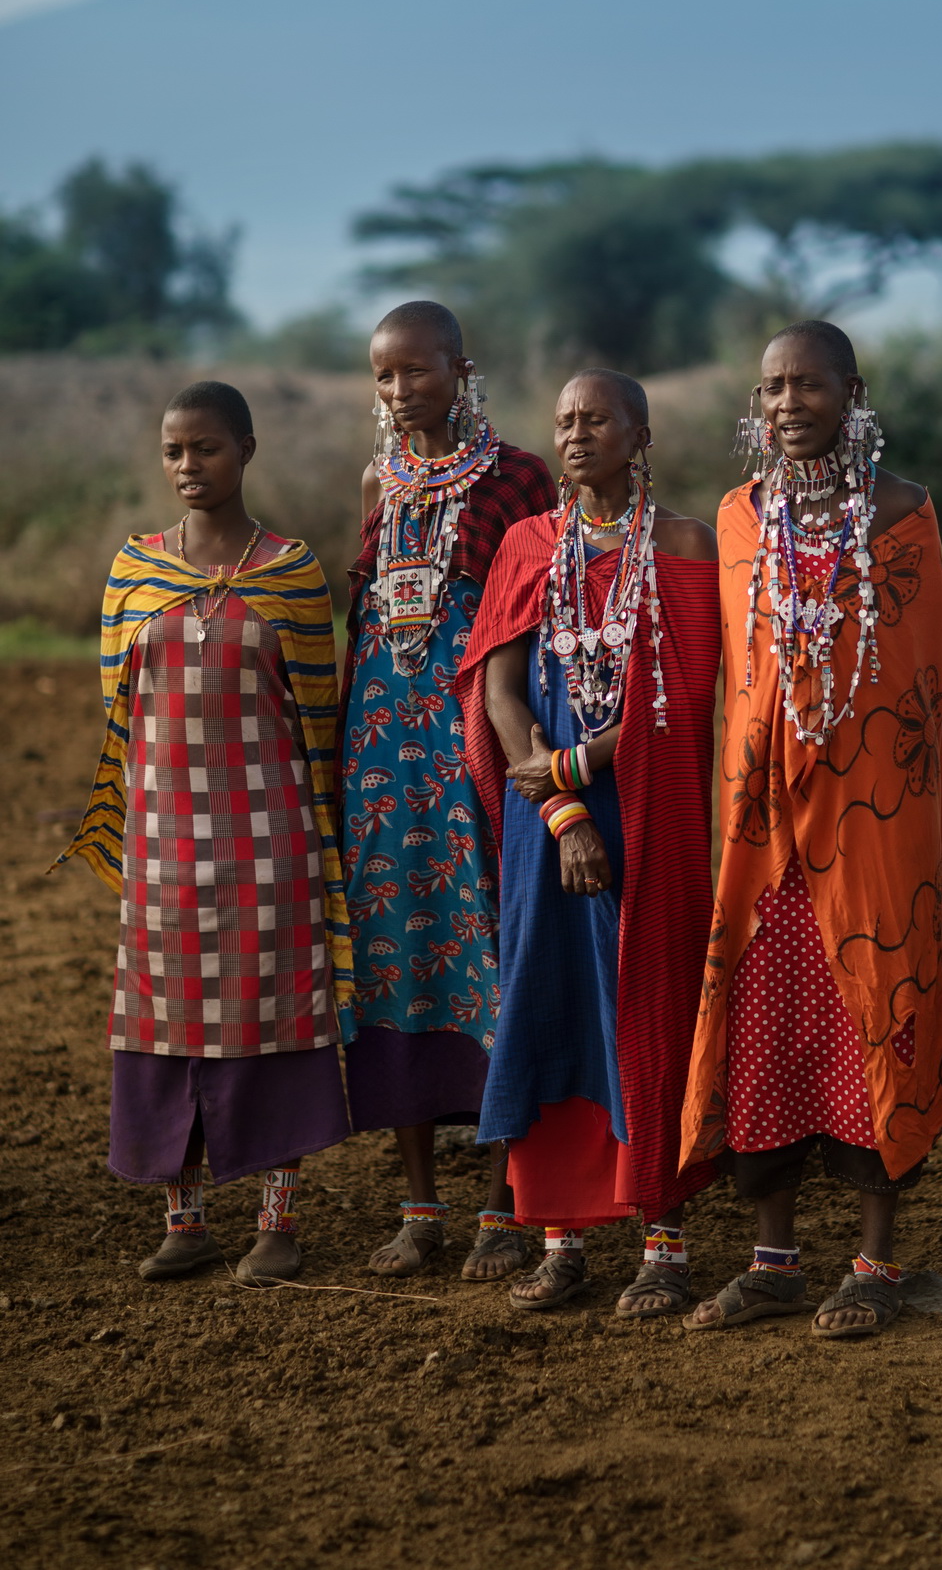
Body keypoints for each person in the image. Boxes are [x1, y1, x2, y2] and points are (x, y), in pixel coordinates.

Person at [680, 321, 942, 1338]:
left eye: (807, 385)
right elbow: (740, 680)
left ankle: (875, 1264)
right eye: (771, 388)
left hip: (874, 823)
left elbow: (919, 692)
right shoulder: (735, 519)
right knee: (766, 1020)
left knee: (873, 1011)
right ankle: (772, 1260)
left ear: (852, 393)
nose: (787, 403)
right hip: (763, 833)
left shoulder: (902, 517)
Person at [55, 381, 353, 1287]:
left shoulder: (292, 572)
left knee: (274, 1023)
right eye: (175, 451)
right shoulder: (133, 571)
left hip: (270, 842)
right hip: (163, 841)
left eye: (208, 449)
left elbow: (318, 720)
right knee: (165, 1027)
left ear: (248, 452)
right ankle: (184, 1225)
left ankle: (279, 1224)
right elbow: (118, 710)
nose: (190, 467)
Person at [458, 369, 720, 1315]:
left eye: (595, 419)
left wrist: (575, 771)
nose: (574, 435)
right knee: (550, 1000)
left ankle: (663, 1238)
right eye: (564, 420)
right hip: (548, 826)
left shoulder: (688, 546)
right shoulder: (530, 545)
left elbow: (688, 700)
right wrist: (562, 807)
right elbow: (500, 691)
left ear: (638, 434)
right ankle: (561, 1239)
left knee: (647, 1000)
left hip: (648, 809)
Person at [339, 300, 555, 1280]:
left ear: (460, 371)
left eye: (413, 372)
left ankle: (509, 1205)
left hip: (475, 754)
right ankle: (419, 1206)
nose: (396, 392)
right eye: (382, 376)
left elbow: (541, 629)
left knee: (494, 955)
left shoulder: (517, 479)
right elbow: (362, 622)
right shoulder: (380, 482)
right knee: (399, 957)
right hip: (383, 768)